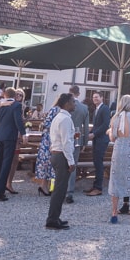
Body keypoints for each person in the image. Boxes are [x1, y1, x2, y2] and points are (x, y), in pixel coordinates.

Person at [107, 94, 130, 224]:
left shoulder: (115, 117)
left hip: (118, 149)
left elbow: (112, 138)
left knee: (116, 179)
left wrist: (110, 132)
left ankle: (114, 213)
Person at [45, 93, 76, 229]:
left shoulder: (59, 117)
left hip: (56, 154)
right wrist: (71, 161)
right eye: (73, 101)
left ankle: (55, 217)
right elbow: (66, 142)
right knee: (60, 189)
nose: (75, 104)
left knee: (60, 189)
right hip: (62, 155)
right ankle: (52, 220)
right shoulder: (65, 119)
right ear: (66, 103)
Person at [0, 87, 25, 201]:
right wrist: (23, 133)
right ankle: (0, 191)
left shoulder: (0, 106)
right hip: (10, 137)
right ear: (14, 96)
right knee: (6, 164)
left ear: (4, 95)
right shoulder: (16, 105)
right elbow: (18, 120)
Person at [65, 84, 90, 203]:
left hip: (63, 137)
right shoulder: (84, 108)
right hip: (76, 139)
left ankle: (58, 189)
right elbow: (85, 128)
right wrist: (84, 142)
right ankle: (69, 192)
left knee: (61, 164)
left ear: (69, 92)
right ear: (78, 94)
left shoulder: (63, 104)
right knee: (72, 165)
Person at [34, 98, 63, 196]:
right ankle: (44, 186)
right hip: (48, 140)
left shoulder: (60, 110)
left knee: (50, 164)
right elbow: (47, 123)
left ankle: (47, 186)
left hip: (52, 139)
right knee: (46, 162)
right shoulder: (55, 109)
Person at [86, 92, 111, 196]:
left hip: (101, 139)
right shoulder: (96, 109)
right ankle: (95, 186)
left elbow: (105, 125)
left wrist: (94, 134)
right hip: (97, 139)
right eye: (93, 97)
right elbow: (97, 125)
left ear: (102, 97)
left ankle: (98, 188)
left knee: (99, 163)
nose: (95, 99)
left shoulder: (104, 109)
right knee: (96, 163)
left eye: (97, 97)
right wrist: (90, 132)